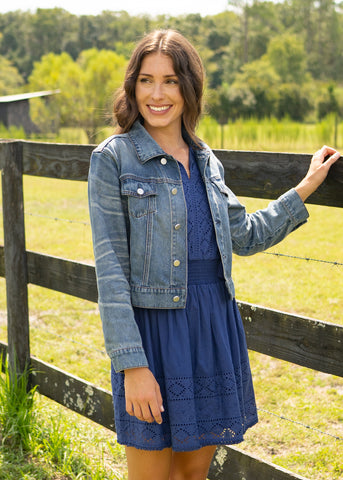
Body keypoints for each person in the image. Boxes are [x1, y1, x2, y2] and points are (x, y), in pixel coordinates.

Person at [88, 29, 340, 480]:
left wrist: (305, 189)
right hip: (153, 336)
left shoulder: (206, 161)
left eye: (170, 80)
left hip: (211, 330)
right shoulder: (114, 158)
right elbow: (110, 270)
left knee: (191, 476)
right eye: (146, 80)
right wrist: (133, 366)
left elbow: (244, 235)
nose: (158, 94)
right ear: (133, 86)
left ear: (190, 87)